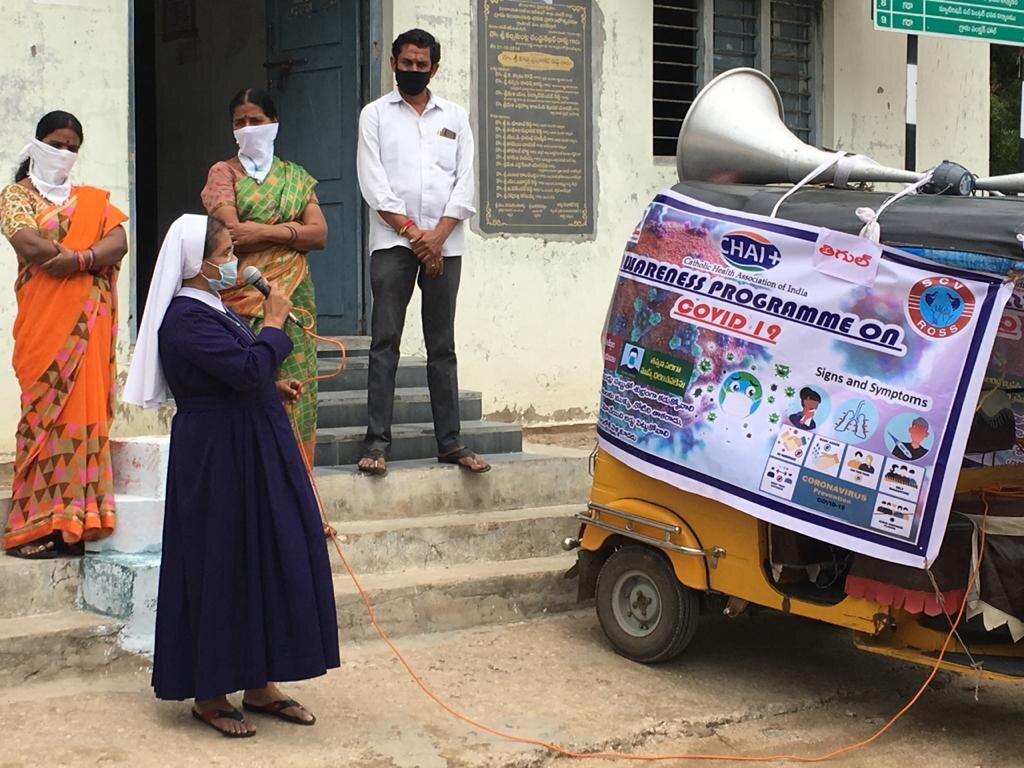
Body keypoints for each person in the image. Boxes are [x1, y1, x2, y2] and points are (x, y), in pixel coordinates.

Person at [123, 215, 339, 737]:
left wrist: (271, 386)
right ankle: (211, 694)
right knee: (219, 560)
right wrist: (273, 324)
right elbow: (245, 370)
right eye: (225, 253)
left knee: (262, 556)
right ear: (197, 264)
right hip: (217, 458)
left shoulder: (215, 309)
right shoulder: (184, 319)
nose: (235, 264)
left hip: (250, 449)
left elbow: (240, 374)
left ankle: (260, 683)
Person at [356, 28, 487, 476]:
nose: (414, 70)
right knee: (384, 342)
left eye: (422, 64)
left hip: (445, 245)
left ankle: (450, 442)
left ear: (435, 67)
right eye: (407, 63)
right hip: (393, 242)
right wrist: (416, 235)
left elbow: (465, 183)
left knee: (442, 345)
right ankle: (376, 443)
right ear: (394, 62)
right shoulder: (375, 115)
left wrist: (438, 236)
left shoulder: (455, 116)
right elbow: (373, 183)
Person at [0, 111, 128, 558]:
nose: (65, 153)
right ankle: (30, 527)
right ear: (38, 144)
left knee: (82, 419)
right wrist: (88, 256)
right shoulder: (16, 196)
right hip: (44, 330)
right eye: (56, 144)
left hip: (87, 330)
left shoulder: (88, 199)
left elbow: (118, 242)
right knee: (40, 423)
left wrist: (77, 260)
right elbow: (27, 244)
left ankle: (74, 523)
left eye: (73, 147)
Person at [201, 88, 327, 465]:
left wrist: (264, 231)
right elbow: (232, 234)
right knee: (252, 384)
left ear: (273, 123)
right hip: (242, 296)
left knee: (298, 390)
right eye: (239, 122)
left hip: (294, 297)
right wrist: (293, 231)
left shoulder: (295, 177)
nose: (247, 128)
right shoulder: (222, 173)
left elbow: (319, 234)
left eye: (256, 120)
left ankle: (298, 481)